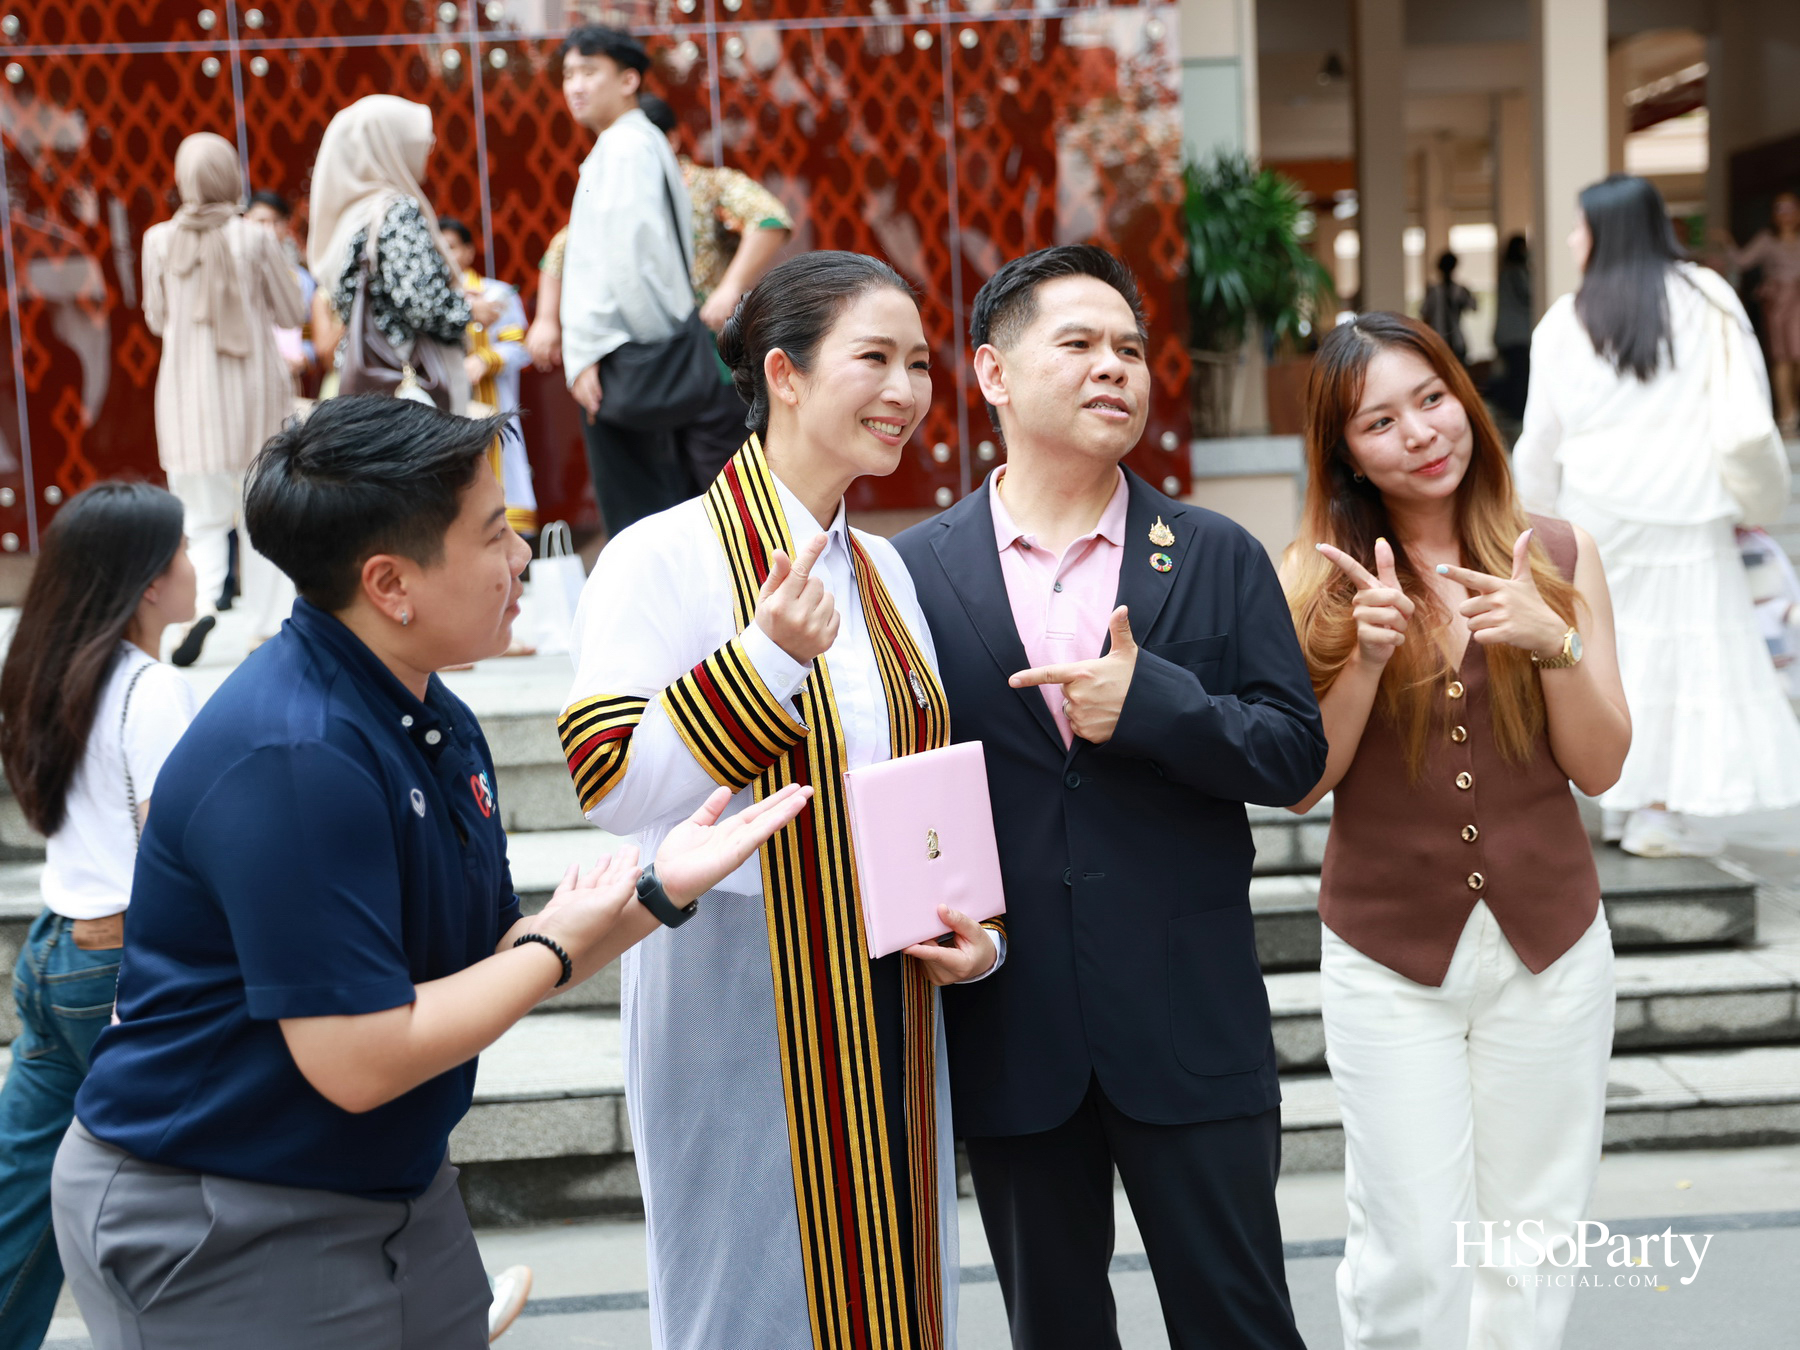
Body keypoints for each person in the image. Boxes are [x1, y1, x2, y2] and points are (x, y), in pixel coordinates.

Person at [49, 397, 812, 1350]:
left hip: (386, 1180)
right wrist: (553, 947)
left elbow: (499, 953)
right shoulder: (298, 755)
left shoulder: (427, 711)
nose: (522, 556)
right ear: (390, 583)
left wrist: (660, 887)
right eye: (493, 534)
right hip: (221, 1201)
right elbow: (361, 1059)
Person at [562, 252, 1003, 1348]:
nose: (905, 390)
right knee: (746, 1282)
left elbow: (911, 780)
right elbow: (608, 779)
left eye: (918, 364)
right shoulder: (658, 558)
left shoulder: (884, 571)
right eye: (874, 358)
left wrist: (976, 932)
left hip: (887, 981)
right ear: (784, 374)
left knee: (894, 1286)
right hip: (738, 974)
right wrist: (765, 659)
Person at [891, 245, 1326, 1350]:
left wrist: (1156, 706)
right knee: (1056, 1330)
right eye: (1079, 343)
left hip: (1189, 1023)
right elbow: (895, 776)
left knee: (1241, 1325)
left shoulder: (1215, 552)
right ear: (993, 373)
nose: (1114, 367)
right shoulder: (914, 572)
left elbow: (1292, 757)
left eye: (1130, 348)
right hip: (1011, 1024)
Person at [1282, 312, 1629, 1350]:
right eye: (1380, 421)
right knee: (1409, 1249)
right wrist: (1364, 659)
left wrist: (1554, 643)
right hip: (1388, 958)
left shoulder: (1558, 551)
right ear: (1347, 452)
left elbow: (1602, 765)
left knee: (1533, 1240)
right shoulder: (1314, 576)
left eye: (1432, 399)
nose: (1421, 432)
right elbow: (1301, 785)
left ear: (1465, 398)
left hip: (1551, 947)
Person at [1514, 172, 1800, 856]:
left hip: (1597, 518)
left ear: (1607, 231)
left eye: (1580, 226)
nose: (1573, 239)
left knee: (1615, 657)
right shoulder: (1708, 298)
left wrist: (1537, 522)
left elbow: (1540, 440)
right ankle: (1658, 809)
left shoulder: (1565, 321)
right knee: (1687, 660)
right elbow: (1745, 413)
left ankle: (1623, 803)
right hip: (1690, 511)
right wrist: (1756, 496)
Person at [0, 483, 198, 1350]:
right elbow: (173, 859)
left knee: (20, 1197)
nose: (194, 566)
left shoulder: (49, 666)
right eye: (183, 552)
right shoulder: (150, 689)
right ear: (149, 582)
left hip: (55, 956)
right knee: (219, 1180)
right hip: (121, 962)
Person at [555, 26, 745, 533]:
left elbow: (631, 262)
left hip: (625, 356)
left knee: (641, 519)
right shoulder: (634, 142)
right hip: (634, 351)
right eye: (568, 74)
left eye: (589, 71)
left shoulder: (624, 147)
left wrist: (601, 349)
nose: (575, 86)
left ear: (629, 80)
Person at [141, 132, 305, 664]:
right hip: (255, 397)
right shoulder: (256, 238)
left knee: (200, 518)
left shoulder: (158, 240)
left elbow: (156, 318)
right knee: (263, 514)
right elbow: (292, 312)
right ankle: (267, 627)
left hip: (188, 397)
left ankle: (199, 607)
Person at [638, 93, 792, 490]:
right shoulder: (615, 200)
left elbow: (769, 218)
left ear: (672, 139)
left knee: (726, 480)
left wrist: (729, 288)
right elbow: (562, 253)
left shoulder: (708, 184)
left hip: (710, 353)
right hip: (646, 361)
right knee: (665, 489)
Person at [309, 95, 498, 415]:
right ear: (390, 147)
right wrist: (469, 309)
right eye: (419, 143)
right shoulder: (395, 210)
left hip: (370, 382)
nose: (428, 149)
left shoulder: (350, 215)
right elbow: (421, 304)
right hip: (411, 382)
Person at [439, 216, 537, 540]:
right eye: (438, 249)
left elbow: (520, 348)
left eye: (451, 247)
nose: (445, 256)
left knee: (500, 469)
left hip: (491, 400)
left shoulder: (496, 293)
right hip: (444, 406)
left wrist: (485, 360)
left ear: (469, 251)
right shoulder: (431, 303)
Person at [1716, 189, 1800, 435]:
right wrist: (1727, 242)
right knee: (1782, 357)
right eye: (1780, 208)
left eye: (1791, 208)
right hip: (1779, 304)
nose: (1786, 214)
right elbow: (1742, 261)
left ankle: (1794, 406)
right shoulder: (1767, 239)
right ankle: (1787, 414)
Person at [1492, 234, 1533, 420]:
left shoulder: (1505, 273)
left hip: (1508, 335)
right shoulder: (1516, 273)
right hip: (1516, 335)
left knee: (1513, 377)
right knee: (1519, 379)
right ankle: (1514, 417)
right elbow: (1528, 296)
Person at [1421, 249, 1474, 367]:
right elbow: (1425, 315)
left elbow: (1473, 307)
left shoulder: (1459, 290)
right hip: (1439, 342)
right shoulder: (1434, 291)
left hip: (1455, 341)